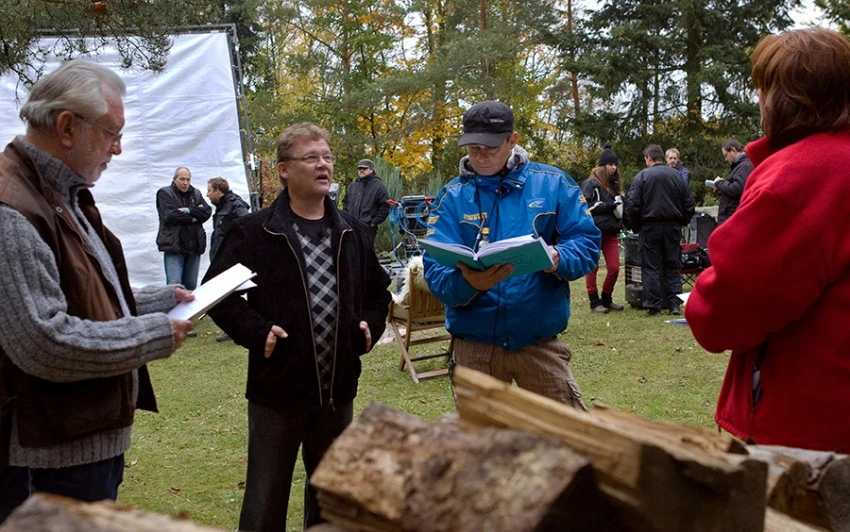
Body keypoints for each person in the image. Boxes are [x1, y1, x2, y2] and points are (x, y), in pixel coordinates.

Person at [0, 60, 194, 523]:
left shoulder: (59, 192)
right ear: (68, 127)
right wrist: (151, 334)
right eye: (112, 133)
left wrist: (161, 299)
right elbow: (42, 340)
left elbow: (84, 292)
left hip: (74, 440)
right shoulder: (13, 209)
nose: (120, 149)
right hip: (44, 458)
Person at [204, 123, 391, 531]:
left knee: (330, 501)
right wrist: (257, 331)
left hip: (337, 391)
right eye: (311, 158)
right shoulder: (255, 231)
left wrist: (369, 326)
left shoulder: (353, 232)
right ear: (284, 169)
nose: (323, 165)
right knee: (265, 500)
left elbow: (380, 294)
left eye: (327, 157)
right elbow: (216, 293)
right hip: (278, 390)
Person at [686, 28, 850, 452]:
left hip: (809, 426)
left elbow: (731, 303)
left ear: (778, 97)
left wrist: (701, 301)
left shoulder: (803, 176)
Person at [423, 100, 600, 409]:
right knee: (481, 448)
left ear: (512, 140)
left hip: (538, 343)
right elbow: (435, 270)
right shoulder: (451, 197)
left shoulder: (554, 184)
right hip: (474, 348)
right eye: (472, 147)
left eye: (489, 147)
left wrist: (558, 257)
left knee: (567, 442)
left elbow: (586, 243)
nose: (480, 155)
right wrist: (470, 284)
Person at [626, 144, 695, 316]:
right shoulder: (677, 176)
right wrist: (682, 221)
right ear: (662, 158)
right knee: (673, 266)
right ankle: (674, 304)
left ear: (649, 158)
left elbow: (632, 205)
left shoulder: (642, 176)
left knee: (650, 267)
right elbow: (689, 203)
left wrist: (636, 226)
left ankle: (653, 305)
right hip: (672, 226)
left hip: (649, 226)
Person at [581, 142, 625, 314]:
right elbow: (585, 206)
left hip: (611, 231)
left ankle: (607, 299)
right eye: (610, 164)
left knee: (614, 268)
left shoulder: (615, 186)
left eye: (615, 164)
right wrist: (608, 205)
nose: (613, 168)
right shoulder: (590, 184)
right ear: (602, 165)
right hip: (594, 231)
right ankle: (594, 301)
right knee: (592, 267)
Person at [155, 167, 211, 290]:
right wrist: (193, 218)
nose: (185, 182)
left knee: (191, 287)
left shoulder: (195, 193)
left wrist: (188, 210)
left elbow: (207, 212)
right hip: (174, 246)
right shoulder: (165, 193)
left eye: (188, 179)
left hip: (194, 246)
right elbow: (170, 215)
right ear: (174, 179)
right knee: (175, 288)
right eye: (182, 179)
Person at [707, 139, 754, 225]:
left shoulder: (744, 166)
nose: (725, 159)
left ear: (733, 150)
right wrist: (721, 190)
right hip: (730, 214)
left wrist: (719, 182)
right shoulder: (739, 166)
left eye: (726, 155)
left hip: (732, 216)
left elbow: (737, 189)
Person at [341, 158, 390, 238]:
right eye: (359, 168)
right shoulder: (352, 186)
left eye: (364, 168)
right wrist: (345, 219)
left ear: (371, 170)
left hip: (367, 229)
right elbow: (345, 203)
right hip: (350, 227)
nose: (361, 170)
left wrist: (373, 223)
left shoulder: (378, 186)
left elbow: (385, 207)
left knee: (366, 250)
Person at [206, 177, 250, 261]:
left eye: (209, 191)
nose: (207, 194)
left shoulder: (236, 206)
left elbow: (248, 227)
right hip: (220, 259)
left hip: (230, 260)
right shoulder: (221, 206)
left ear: (217, 191)